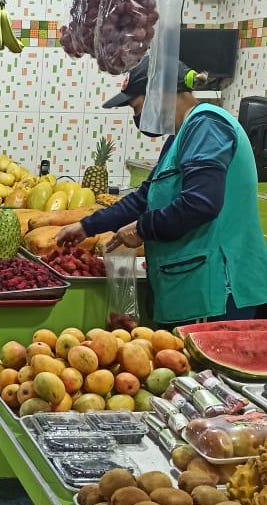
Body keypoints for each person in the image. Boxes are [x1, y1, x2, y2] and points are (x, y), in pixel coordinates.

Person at [57, 57, 267, 326]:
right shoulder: (181, 135)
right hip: (192, 288)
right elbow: (145, 197)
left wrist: (142, 230)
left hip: (218, 290)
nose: (136, 117)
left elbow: (200, 203)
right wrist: (87, 226)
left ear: (161, 93)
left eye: (136, 106)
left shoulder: (208, 126)